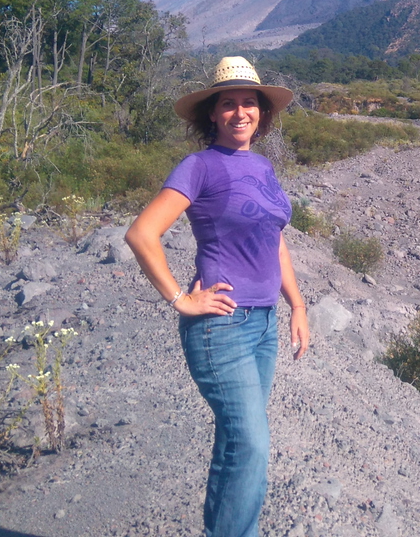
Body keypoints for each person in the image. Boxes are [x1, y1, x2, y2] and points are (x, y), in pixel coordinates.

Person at [126, 56, 309, 537]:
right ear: (212, 113)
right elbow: (143, 234)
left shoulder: (263, 166)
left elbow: (276, 240)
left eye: (249, 102)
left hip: (264, 325)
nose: (241, 112)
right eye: (229, 103)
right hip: (221, 327)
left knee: (236, 442)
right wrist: (180, 300)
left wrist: (298, 305)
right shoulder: (199, 166)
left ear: (262, 113)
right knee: (251, 444)